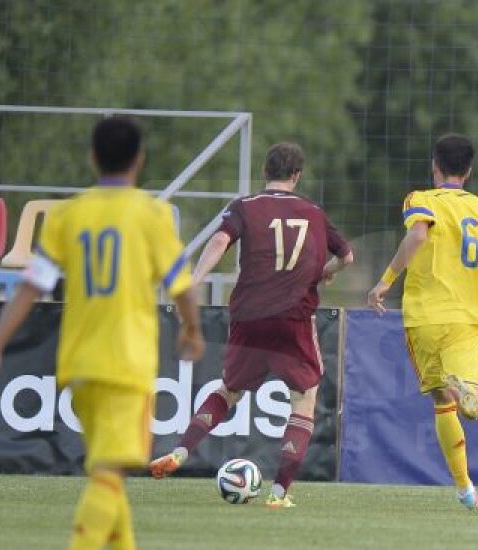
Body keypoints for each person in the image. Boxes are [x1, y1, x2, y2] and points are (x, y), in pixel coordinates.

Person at [0, 116, 203, 550]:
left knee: (107, 473)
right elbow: (183, 285)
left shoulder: (68, 215)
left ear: (92, 157)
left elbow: (31, 285)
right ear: (140, 160)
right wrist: (192, 330)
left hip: (78, 363)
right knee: (111, 473)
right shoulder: (150, 215)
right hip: (125, 363)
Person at [148, 142, 355, 509]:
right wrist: (326, 272)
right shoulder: (313, 212)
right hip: (293, 318)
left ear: (265, 172)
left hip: (248, 315)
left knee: (229, 390)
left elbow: (219, 240)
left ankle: (181, 451)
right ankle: (279, 493)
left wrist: (194, 283)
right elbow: (348, 256)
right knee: (304, 398)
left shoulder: (245, 206)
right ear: (297, 175)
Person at [366, 134, 478, 510]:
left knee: (442, 403)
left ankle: (465, 489)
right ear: (470, 171)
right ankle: (472, 394)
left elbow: (417, 234)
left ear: (435, 166)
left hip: (426, 315)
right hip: (467, 316)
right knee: (464, 392)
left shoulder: (421, 200)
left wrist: (385, 281)